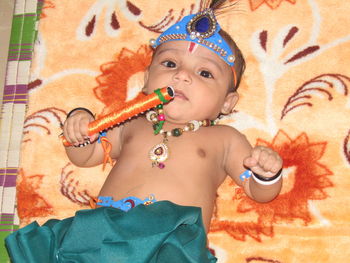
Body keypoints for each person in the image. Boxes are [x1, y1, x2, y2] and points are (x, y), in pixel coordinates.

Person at [6, 2, 282, 262]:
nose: (182, 76)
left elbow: (258, 191)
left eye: (205, 73)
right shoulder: (130, 123)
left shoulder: (225, 139)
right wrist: (80, 127)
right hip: (103, 234)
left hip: (171, 240)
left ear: (227, 102)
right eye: (170, 64)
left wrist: (266, 173)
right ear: (147, 80)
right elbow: (85, 156)